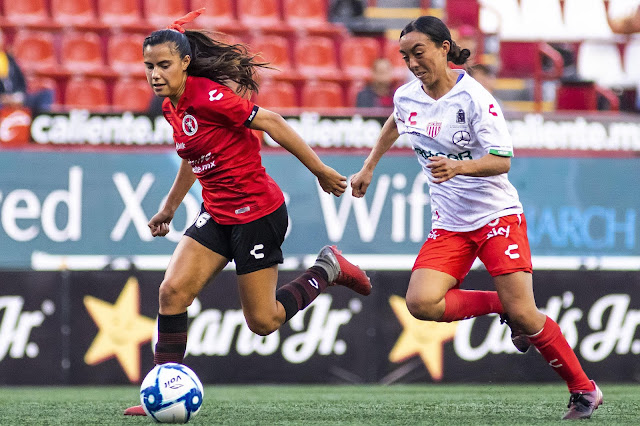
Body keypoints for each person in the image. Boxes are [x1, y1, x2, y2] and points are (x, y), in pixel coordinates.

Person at [350, 16, 602, 421]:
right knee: (421, 302)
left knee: (526, 313)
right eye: (406, 56)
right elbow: (396, 123)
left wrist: (458, 167)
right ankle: (500, 307)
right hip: (450, 223)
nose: (413, 64)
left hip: (496, 217)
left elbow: (502, 160)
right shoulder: (407, 97)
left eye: (420, 53)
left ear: (444, 48)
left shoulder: (475, 100)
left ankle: (584, 390)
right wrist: (368, 167)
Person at [124, 9, 371, 416]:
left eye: (163, 65)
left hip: (257, 213)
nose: (154, 73)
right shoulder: (172, 104)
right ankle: (163, 392)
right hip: (218, 212)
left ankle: (327, 269)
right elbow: (193, 152)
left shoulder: (207, 95)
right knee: (172, 293)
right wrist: (169, 207)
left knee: (263, 321)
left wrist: (321, 171)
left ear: (185, 63)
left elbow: (271, 121)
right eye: (148, 66)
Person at [0, 29, 54, 115]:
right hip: (2, 100)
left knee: (46, 94)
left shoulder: (9, 59)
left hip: (16, 97)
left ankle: (41, 124)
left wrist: (19, 95)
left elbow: (21, 81)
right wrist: (4, 98)